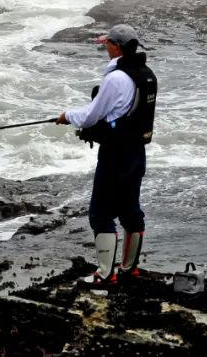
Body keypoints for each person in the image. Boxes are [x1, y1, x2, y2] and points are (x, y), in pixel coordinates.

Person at [56, 23, 157, 288]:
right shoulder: (144, 73)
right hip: (136, 152)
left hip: (115, 154)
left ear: (117, 46)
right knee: (130, 210)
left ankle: (104, 275)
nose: (105, 47)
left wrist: (67, 116)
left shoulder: (116, 78)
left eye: (107, 43)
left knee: (100, 214)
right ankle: (129, 269)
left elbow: (92, 115)